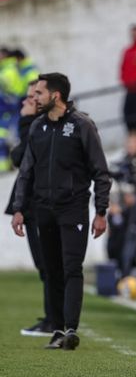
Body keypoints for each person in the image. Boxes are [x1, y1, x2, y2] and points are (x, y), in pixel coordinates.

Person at [11, 73, 111, 351]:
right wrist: (19, 208)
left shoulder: (82, 126)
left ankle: (70, 329)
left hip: (73, 209)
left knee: (71, 268)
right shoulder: (38, 128)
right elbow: (26, 172)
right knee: (52, 270)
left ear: (55, 96)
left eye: (40, 93)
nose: (35, 98)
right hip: (43, 209)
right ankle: (57, 330)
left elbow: (101, 172)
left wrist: (101, 211)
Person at [4, 80, 53, 336]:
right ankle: (52, 317)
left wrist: (24, 122)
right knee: (45, 266)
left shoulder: (38, 128)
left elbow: (22, 158)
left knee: (48, 265)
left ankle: (54, 320)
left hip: (42, 205)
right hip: (35, 205)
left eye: (30, 99)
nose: (24, 102)